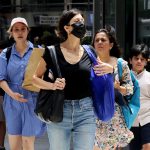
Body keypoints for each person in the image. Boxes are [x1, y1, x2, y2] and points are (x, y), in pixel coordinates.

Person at [32, 9, 114, 150]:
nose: (81, 24)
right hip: (59, 110)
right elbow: (34, 79)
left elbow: (103, 73)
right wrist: (52, 86)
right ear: (67, 28)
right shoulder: (52, 52)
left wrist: (111, 69)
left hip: (86, 110)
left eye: (82, 21)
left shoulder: (90, 51)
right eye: (76, 22)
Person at [0, 17, 45, 150]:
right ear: (11, 33)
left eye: (23, 29)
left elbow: (45, 73)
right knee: (14, 145)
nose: (20, 32)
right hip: (12, 101)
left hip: (32, 99)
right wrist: (12, 94)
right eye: (16, 30)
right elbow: (1, 79)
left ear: (27, 31)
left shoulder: (38, 51)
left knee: (27, 142)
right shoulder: (6, 54)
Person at [92, 25, 134, 150]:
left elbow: (129, 88)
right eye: (97, 40)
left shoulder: (120, 64)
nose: (99, 42)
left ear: (110, 45)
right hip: (92, 112)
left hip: (114, 114)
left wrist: (118, 87)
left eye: (103, 40)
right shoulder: (88, 63)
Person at [129, 44, 150, 150]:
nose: (139, 61)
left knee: (147, 146)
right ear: (130, 60)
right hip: (131, 121)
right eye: (136, 58)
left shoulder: (149, 78)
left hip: (147, 120)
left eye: (142, 59)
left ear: (146, 61)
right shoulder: (124, 77)